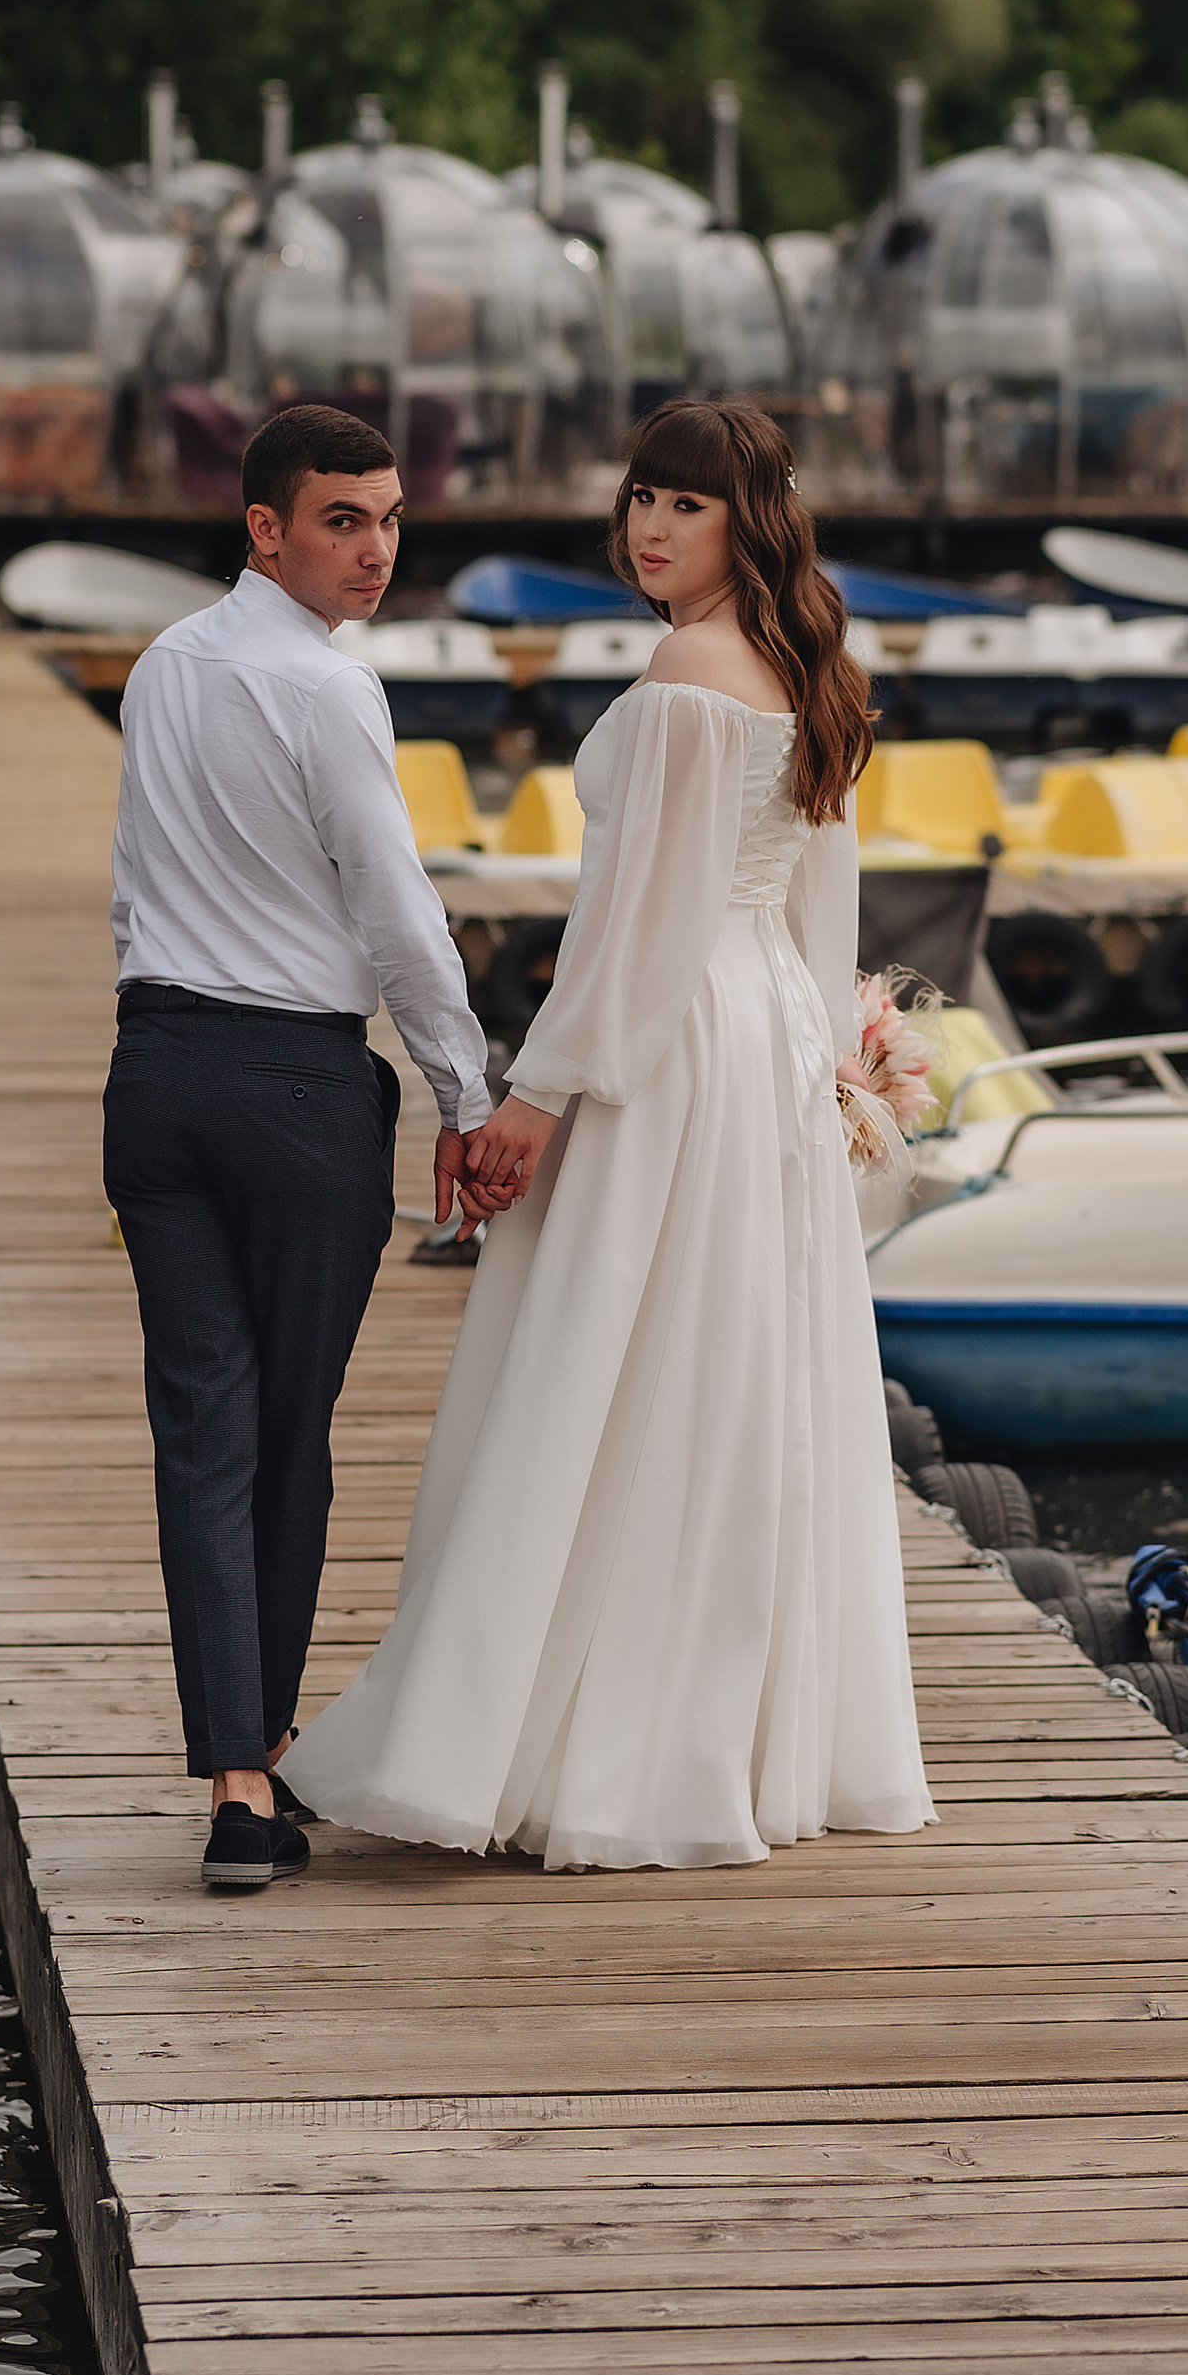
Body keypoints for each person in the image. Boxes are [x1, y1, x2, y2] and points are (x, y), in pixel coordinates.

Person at [284, 395, 934, 1871]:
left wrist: (534, 1092)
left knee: (610, 1354)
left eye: (686, 505)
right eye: (642, 495)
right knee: (731, 1363)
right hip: (762, 1024)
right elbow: (819, 894)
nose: (650, 525)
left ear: (746, 517)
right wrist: (836, 1052)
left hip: (679, 1035)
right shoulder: (808, 663)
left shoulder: (691, 665)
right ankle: (734, 1735)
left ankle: (588, 1737)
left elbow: (634, 925)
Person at [103, 401, 499, 1896]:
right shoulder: (332, 689)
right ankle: (251, 1759)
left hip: (156, 1074)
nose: (378, 547)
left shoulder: (161, 664)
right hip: (292, 1087)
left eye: (393, 517)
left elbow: (139, 880)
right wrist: (465, 1089)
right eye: (345, 517)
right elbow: (398, 913)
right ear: (263, 526)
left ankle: (236, 1779)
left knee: (206, 1427)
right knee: (286, 1437)